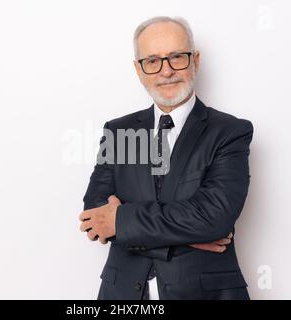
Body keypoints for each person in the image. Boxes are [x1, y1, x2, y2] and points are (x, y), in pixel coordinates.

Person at [79, 16, 253, 300]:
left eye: (177, 57)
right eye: (152, 61)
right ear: (139, 70)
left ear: (195, 60)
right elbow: (94, 217)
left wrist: (122, 221)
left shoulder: (230, 132)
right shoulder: (119, 131)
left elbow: (214, 218)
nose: (166, 71)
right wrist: (188, 236)